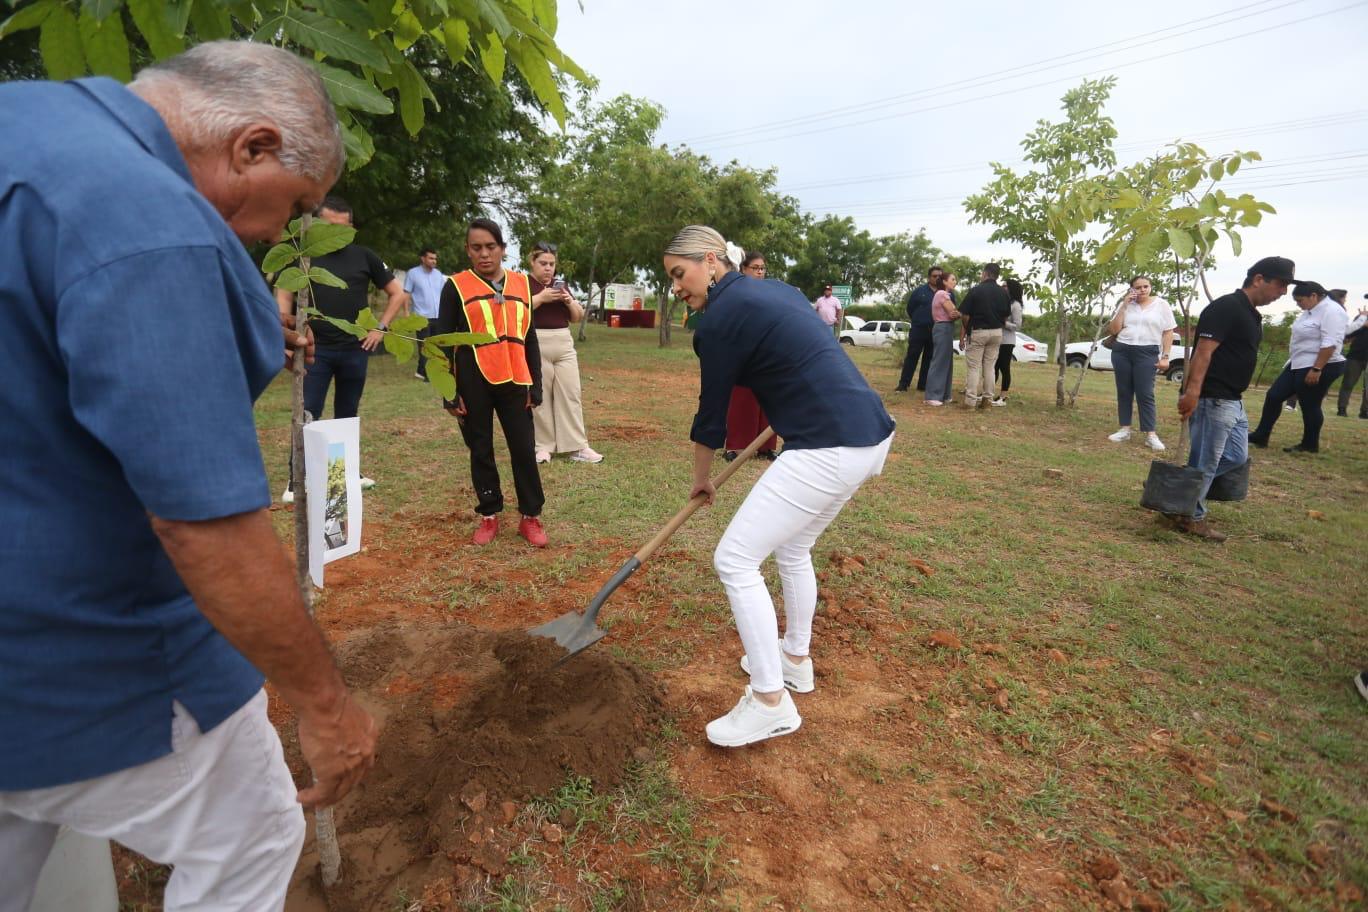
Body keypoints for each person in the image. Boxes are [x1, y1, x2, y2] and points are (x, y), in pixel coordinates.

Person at [0, 42, 376, 912]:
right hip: (80, 654)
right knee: (253, 838)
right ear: (251, 145)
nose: (280, 236)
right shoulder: (146, 217)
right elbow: (201, 520)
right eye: (294, 207)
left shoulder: (25, 129)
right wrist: (325, 705)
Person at [664, 226, 895, 748]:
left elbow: (711, 415)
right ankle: (794, 659)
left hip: (829, 445)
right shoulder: (778, 291)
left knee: (734, 560)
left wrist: (701, 482)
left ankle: (769, 700)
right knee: (794, 547)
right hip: (870, 434)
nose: (677, 287)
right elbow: (803, 355)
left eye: (680, 274)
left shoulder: (720, 318)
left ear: (710, 260)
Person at [277, 195, 408, 500]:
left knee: (347, 413)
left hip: (354, 348)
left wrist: (380, 328)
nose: (334, 232)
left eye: (342, 227)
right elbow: (284, 290)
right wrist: (286, 324)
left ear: (351, 227)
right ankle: (296, 481)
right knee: (307, 412)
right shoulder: (305, 257)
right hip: (314, 350)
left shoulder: (365, 256)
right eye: (327, 226)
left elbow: (397, 293)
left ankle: (344, 474)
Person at [435, 219, 548, 547]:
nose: (484, 254)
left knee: (524, 450)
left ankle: (531, 517)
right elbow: (441, 341)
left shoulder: (522, 284)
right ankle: (489, 515)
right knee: (480, 449)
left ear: (502, 248)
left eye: (490, 247)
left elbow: (529, 338)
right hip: (472, 380)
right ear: (467, 251)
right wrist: (449, 393)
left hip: (516, 380)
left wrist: (535, 385)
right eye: (476, 248)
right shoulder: (455, 286)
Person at [1175, 256, 1296, 541]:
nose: (1283, 293)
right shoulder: (1226, 307)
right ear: (1258, 279)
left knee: (1235, 457)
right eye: (1281, 285)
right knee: (1207, 462)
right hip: (1214, 398)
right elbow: (1203, 352)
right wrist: (1192, 392)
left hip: (1233, 399)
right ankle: (1191, 517)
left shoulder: (1251, 313)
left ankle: (1179, 492)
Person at [1247, 281, 1348, 453]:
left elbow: (1330, 343)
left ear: (1313, 296)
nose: (1298, 304)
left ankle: (1310, 445)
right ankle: (1261, 436)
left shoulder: (1332, 311)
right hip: (1298, 362)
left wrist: (1317, 369)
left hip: (1322, 364)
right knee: (1274, 395)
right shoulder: (1310, 310)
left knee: (1310, 404)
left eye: (1300, 300)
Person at [526, 241, 603, 465]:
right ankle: (543, 447)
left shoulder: (562, 286)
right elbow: (517, 310)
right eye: (543, 263)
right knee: (541, 397)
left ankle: (576, 446)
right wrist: (542, 298)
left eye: (552, 264)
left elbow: (577, 317)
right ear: (533, 262)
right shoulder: (524, 284)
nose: (548, 268)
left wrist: (569, 301)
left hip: (563, 343)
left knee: (570, 393)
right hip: (536, 342)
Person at [1105, 276, 1177, 451]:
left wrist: (1165, 356)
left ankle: (1150, 434)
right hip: (1122, 350)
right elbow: (1114, 330)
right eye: (1138, 287)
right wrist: (1123, 306)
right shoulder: (1127, 305)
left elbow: (1168, 332)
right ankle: (1125, 429)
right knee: (1124, 391)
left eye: (1146, 286)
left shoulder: (1161, 305)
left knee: (1145, 393)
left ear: (1151, 287)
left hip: (1147, 352)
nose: (1142, 290)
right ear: (1131, 289)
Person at [723, 252, 779, 462]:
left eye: (762, 268)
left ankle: (766, 446)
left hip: (767, 350)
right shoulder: (735, 292)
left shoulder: (770, 292)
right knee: (742, 399)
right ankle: (737, 446)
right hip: (741, 349)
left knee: (768, 399)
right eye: (755, 268)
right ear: (743, 269)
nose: (759, 272)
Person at [957, 263, 1012, 408]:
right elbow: (1006, 316)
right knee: (990, 367)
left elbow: (965, 314)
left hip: (978, 331)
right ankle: (987, 400)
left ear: (985, 273)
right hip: (996, 333)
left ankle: (970, 402)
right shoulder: (1003, 293)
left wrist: (968, 327)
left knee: (974, 367)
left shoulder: (976, 290)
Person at [895, 265, 943, 393]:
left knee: (929, 358)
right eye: (934, 276)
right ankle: (903, 384)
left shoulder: (944, 293)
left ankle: (923, 385)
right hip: (919, 329)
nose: (937, 278)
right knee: (912, 356)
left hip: (935, 330)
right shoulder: (919, 291)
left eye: (940, 276)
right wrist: (918, 320)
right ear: (929, 277)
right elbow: (910, 308)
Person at [405, 246, 445, 381]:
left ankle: (420, 371)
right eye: (431, 258)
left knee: (435, 345)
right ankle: (427, 375)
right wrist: (405, 312)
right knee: (424, 345)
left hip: (437, 316)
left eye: (435, 258)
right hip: (420, 316)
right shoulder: (412, 273)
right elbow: (406, 293)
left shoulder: (438, 274)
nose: (434, 261)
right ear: (423, 259)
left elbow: (443, 294)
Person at [924, 272, 961, 406]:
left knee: (947, 362)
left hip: (946, 328)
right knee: (939, 361)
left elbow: (955, 313)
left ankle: (945, 395)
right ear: (944, 281)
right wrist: (960, 312)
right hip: (943, 327)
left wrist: (957, 313)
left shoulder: (946, 295)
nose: (955, 281)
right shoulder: (942, 294)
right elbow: (953, 313)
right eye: (952, 279)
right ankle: (932, 396)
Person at [1335, 292, 1367, 418]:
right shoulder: (1361, 316)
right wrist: (1362, 324)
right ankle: (1342, 409)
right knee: (1348, 383)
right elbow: (1348, 334)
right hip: (1355, 356)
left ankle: (1365, 411)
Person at [993, 278, 1025, 404]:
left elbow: (1017, 325)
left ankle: (1003, 396)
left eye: (1005, 286)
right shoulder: (1002, 301)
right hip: (997, 339)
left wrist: (1003, 323)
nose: (1002, 287)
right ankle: (989, 392)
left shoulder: (1015, 305)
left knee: (1004, 368)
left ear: (1011, 288)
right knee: (994, 367)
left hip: (1007, 341)